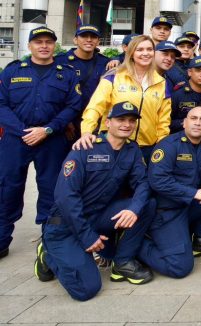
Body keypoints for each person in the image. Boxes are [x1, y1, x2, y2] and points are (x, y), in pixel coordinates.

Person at [36, 102, 154, 300]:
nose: (127, 124)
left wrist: (133, 209)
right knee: (86, 289)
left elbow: (142, 183)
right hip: (65, 224)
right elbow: (65, 197)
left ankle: (122, 262)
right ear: (107, 122)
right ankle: (47, 254)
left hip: (98, 216)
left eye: (131, 121)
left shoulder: (131, 149)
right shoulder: (86, 148)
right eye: (121, 119)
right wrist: (87, 237)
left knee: (147, 205)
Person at [0, 26, 81, 258]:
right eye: (38, 42)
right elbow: (1, 104)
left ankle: (50, 241)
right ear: (30, 46)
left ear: (54, 45)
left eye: (48, 42)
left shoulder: (66, 73)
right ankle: (2, 239)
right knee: (7, 188)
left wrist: (47, 129)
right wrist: (24, 131)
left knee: (51, 190)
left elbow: (73, 106)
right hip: (15, 140)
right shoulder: (13, 70)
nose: (44, 46)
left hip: (51, 140)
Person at [138, 107, 201, 279]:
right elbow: (158, 180)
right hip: (167, 212)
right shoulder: (169, 145)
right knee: (180, 267)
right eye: (193, 118)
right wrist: (195, 193)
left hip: (189, 207)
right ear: (185, 122)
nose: (197, 123)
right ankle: (138, 245)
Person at [78, 35, 172, 163]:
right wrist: (87, 131)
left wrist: (162, 145)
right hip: (113, 144)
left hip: (147, 148)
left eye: (149, 49)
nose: (145, 53)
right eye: (140, 49)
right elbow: (95, 107)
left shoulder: (161, 83)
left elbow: (163, 120)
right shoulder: (113, 77)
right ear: (131, 53)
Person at [54, 25, 110, 137]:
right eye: (84, 36)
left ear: (98, 41)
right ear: (75, 40)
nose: (89, 40)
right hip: (66, 121)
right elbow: (53, 94)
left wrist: (116, 60)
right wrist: (65, 121)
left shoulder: (106, 62)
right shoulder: (59, 61)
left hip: (94, 121)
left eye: (93, 37)